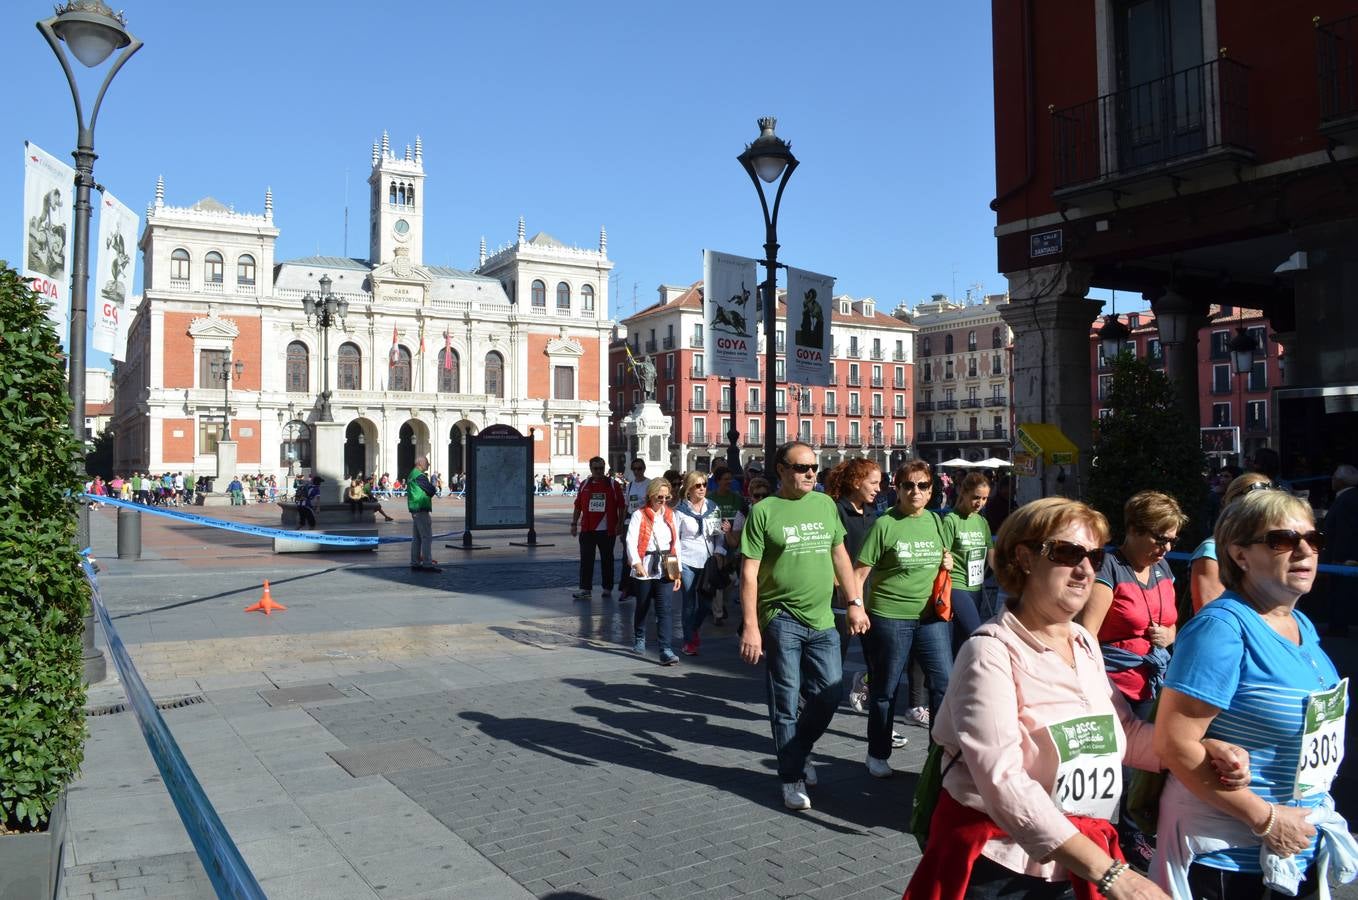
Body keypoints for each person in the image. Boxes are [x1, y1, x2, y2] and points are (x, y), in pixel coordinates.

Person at [905, 497, 1250, 900]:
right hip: (1002, 866)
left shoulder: (1083, 640)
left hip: (1077, 858)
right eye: (1068, 553)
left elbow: (1123, 731)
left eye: (1094, 556)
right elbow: (1003, 782)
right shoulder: (990, 652)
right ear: (1025, 558)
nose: (1085, 569)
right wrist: (1113, 874)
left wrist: (1197, 750)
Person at [1151, 490, 1355, 898]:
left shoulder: (1298, 621)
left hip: (1296, 849)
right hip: (1230, 860)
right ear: (1240, 555)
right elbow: (1173, 743)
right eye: (1281, 540)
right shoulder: (1222, 630)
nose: (1303, 551)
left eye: (1313, 540)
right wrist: (1267, 820)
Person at [739, 442, 861, 811]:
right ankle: (790, 777)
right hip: (780, 619)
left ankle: (800, 749)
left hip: (823, 618)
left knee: (829, 695)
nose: (810, 473)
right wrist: (751, 626)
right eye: (801, 467)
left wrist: (854, 602)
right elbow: (749, 573)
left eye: (814, 467)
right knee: (786, 701)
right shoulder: (763, 511)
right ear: (782, 470)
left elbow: (839, 554)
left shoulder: (825, 505)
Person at [854, 461, 954, 777]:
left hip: (931, 618)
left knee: (944, 685)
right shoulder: (885, 524)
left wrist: (946, 562)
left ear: (931, 490)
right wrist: (856, 607)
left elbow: (944, 559)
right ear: (896, 488)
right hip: (890, 616)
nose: (915, 491)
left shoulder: (937, 523)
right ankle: (877, 753)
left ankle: (938, 755)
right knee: (885, 690)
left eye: (922, 486)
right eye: (908, 485)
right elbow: (860, 572)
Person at [1078, 491, 1185, 721]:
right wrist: (1097, 687)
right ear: (1134, 530)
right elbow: (1087, 633)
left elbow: (1172, 621)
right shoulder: (1108, 567)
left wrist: (1169, 635)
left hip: (1157, 683)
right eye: (1160, 539)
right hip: (1115, 690)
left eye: (1172, 541)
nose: (1167, 548)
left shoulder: (1163, 567)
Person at [1189, 473, 1273, 612]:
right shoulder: (1211, 551)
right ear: (1232, 506)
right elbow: (1211, 618)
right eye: (1254, 507)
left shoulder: (1269, 547)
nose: (1263, 514)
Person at [626, 477, 681, 665]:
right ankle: (639, 636)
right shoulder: (639, 515)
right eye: (660, 497)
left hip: (666, 563)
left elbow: (676, 544)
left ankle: (665, 649)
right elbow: (630, 541)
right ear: (651, 495)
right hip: (646, 563)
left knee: (664, 608)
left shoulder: (671, 515)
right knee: (642, 604)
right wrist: (636, 563)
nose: (663, 501)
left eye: (667, 497)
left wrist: (677, 571)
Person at [674, 471, 725, 656]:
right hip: (687, 561)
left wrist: (719, 552)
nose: (702, 488)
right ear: (689, 488)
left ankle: (693, 628)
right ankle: (688, 641)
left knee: (705, 604)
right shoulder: (680, 512)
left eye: (704, 484)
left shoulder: (713, 508)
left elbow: (718, 535)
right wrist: (677, 566)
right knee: (688, 602)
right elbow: (676, 541)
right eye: (698, 485)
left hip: (708, 562)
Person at [943, 472, 995, 646]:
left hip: (977, 585)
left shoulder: (982, 522)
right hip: (957, 585)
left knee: (962, 640)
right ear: (963, 493)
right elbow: (943, 552)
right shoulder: (951, 520)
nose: (980, 503)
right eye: (975, 497)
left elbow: (990, 552)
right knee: (976, 633)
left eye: (984, 499)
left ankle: (957, 672)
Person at [570, 457, 624, 601]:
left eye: (601, 468)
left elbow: (621, 506)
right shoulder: (584, 484)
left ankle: (607, 588)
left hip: (607, 531)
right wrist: (574, 524)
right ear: (591, 469)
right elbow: (577, 506)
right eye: (596, 469)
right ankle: (585, 589)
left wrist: (619, 523)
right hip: (587, 530)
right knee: (586, 560)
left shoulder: (613, 485)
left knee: (607, 560)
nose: (599, 471)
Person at [1320, 463, 1358, 637]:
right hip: (1343, 556)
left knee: (1340, 592)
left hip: (1343, 557)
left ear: (1341, 481)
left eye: (1335, 478)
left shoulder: (1347, 500)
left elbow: (1345, 531)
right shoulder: (1348, 498)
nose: (1332, 481)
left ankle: (1338, 626)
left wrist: (1339, 557)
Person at [617, 459, 650, 600]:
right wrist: (620, 524)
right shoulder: (630, 485)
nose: (637, 471)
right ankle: (626, 588)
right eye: (635, 469)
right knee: (628, 555)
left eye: (640, 468)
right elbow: (626, 505)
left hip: (644, 520)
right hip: (630, 521)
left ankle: (643, 585)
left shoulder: (649, 484)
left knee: (643, 553)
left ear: (644, 468)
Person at [407, 456, 441, 573]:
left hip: (414, 508)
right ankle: (427, 563)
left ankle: (415, 563)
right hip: (421, 508)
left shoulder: (412, 474)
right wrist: (433, 487)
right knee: (426, 537)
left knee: (416, 538)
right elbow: (431, 490)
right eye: (427, 462)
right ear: (420, 463)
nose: (429, 464)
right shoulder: (420, 476)